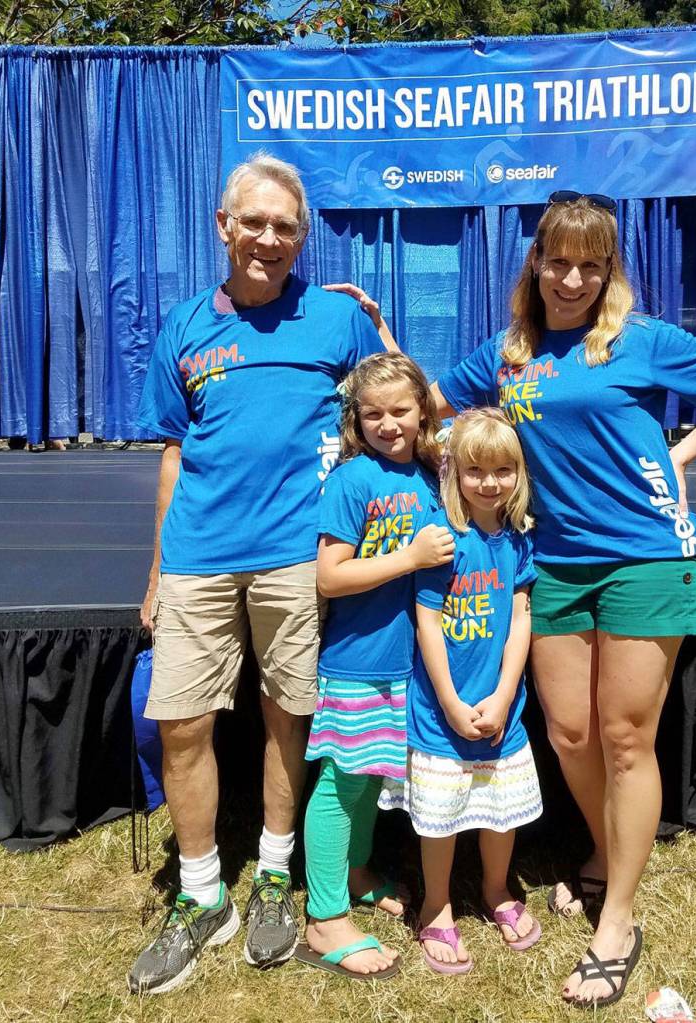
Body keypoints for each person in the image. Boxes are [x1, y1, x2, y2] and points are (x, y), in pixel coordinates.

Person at [429, 192, 696, 1008]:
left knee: (623, 738)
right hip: (551, 560)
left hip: (645, 559)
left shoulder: (636, 338)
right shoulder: (507, 354)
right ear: (535, 263)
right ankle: (603, 849)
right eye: (558, 261)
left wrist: (682, 451)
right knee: (570, 732)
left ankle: (616, 920)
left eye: (590, 264)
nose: (572, 278)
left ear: (608, 268)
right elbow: (431, 406)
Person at [128, 154, 391, 995]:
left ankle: (275, 873)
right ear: (224, 226)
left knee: (289, 716)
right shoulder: (182, 329)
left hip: (296, 556)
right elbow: (174, 453)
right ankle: (202, 893)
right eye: (254, 222)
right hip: (198, 557)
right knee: (181, 724)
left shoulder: (336, 320)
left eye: (285, 226)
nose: (268, 239)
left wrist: (382, 330)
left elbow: (395, 405)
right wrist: (157, 570)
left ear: (301, 237)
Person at [295, 352, 455, 979]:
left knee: (368, 776)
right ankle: (324, 916)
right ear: (355, 421)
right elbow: (330, 577)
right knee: (342, 783)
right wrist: (409, 558)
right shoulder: (352, 480)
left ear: (423, 412)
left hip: (408, 662)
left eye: (401, 411)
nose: (389, 424)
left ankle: (356, 871)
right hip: (358, 661)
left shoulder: (430, 474)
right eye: (373, 415)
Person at [380, 408, 543, 975]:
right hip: (439, 715)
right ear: (455, 473)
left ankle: (497, 889)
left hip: (500, 711)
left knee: (500, 812)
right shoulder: (442, 538)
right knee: (441, 816)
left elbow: (520, 618)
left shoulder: (520, 540)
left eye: (502, 470)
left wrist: (504, 695)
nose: (489, 482)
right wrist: (450, 703)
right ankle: (436, 903)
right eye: (476, 470)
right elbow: (427, 623)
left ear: (518, 474)